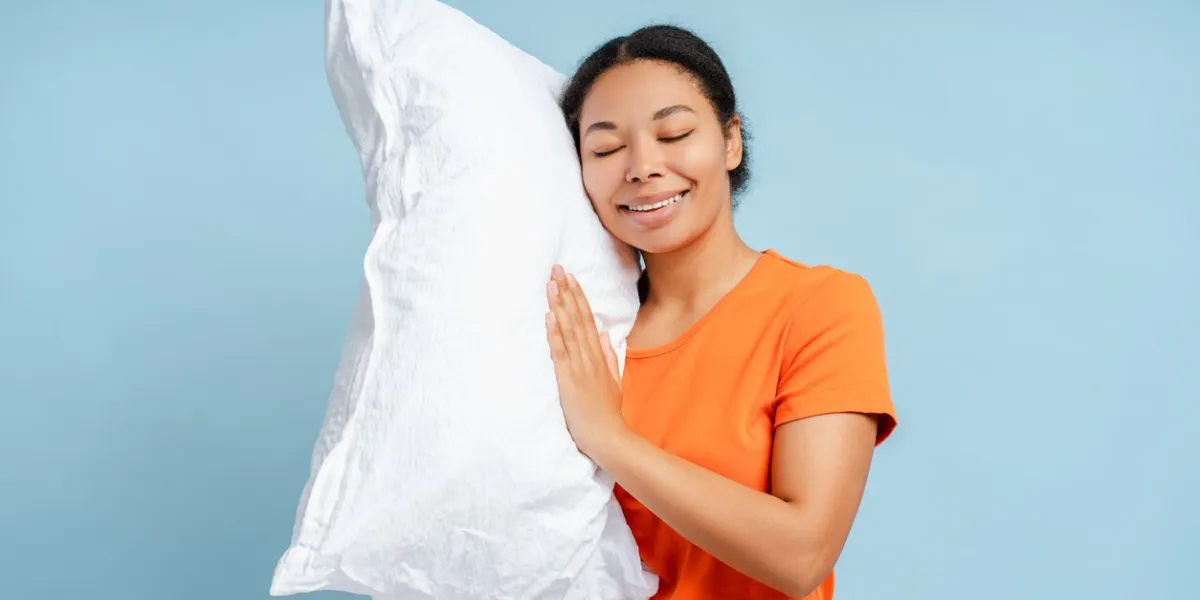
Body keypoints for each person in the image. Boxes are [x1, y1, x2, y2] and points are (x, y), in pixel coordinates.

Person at [543, 24, 898, 600]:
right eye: (606, 149)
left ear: (730, 141)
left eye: (674, 133)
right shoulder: (582, 332)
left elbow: (801, 554)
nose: (641, 167)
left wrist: (609, 437)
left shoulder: (820, 307)